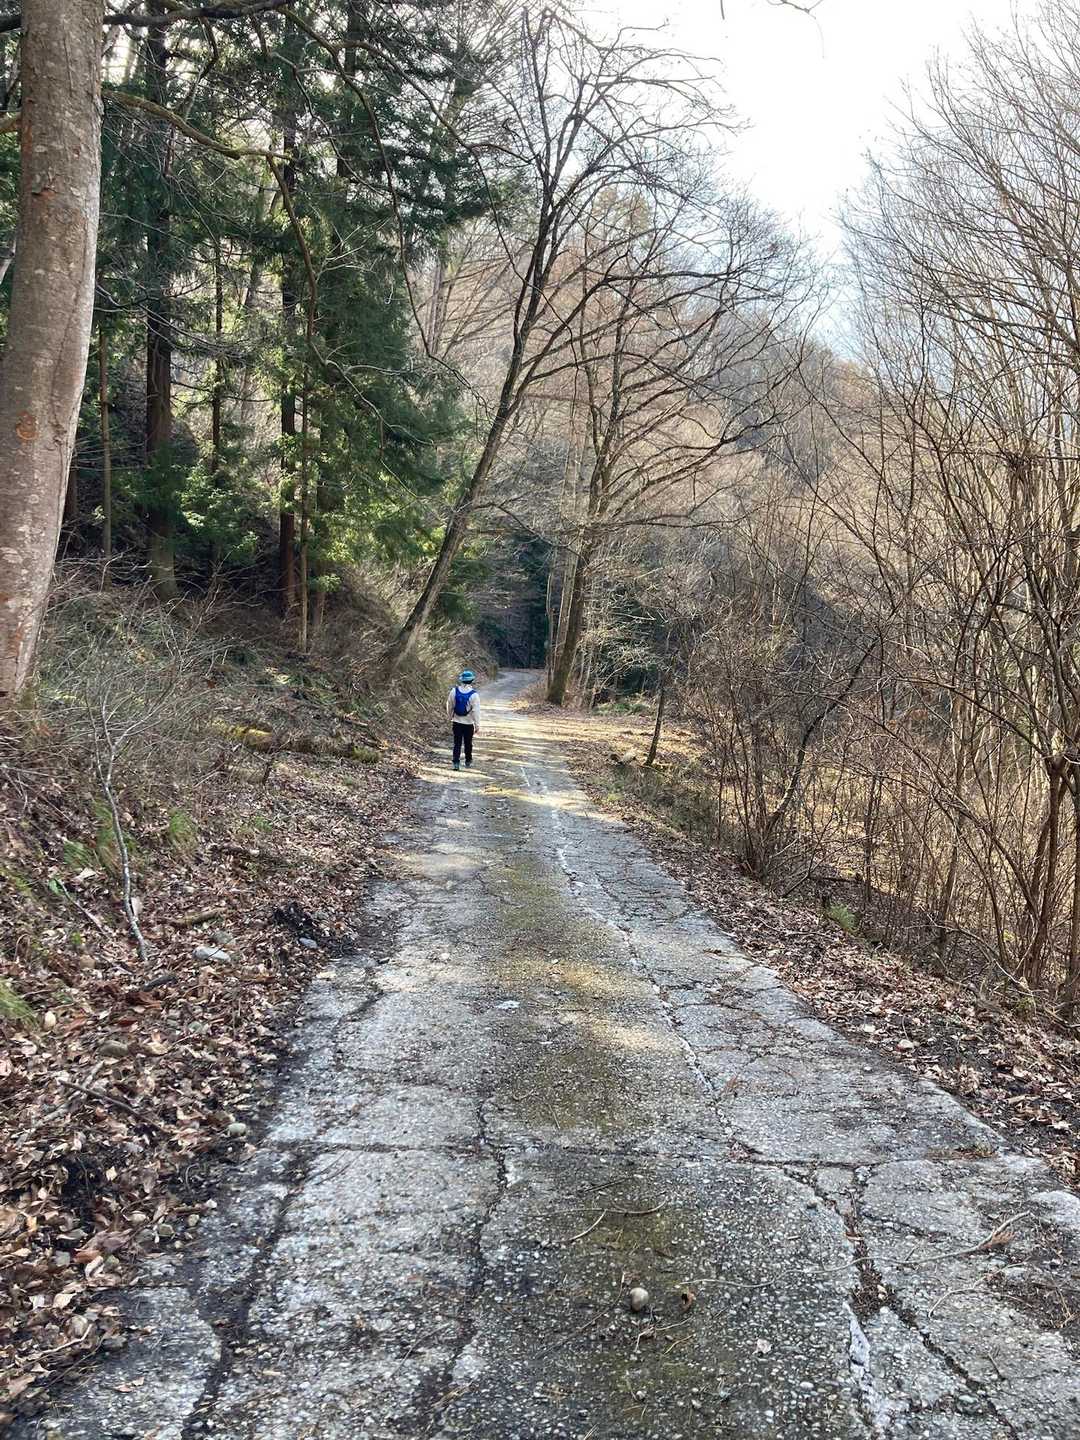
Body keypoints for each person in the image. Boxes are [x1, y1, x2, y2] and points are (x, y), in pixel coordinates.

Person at [447, 669, 480, 770]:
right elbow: (476, 711)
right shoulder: (474, 695)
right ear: (472, 680)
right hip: (468, 723)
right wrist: (477, 725)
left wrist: (450, 716)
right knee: (468, 743)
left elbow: (449, 705)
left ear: (461, 680)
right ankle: (468, 761)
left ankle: (456, 763)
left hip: (456, 722)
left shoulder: (454, 691)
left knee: (457, 743)